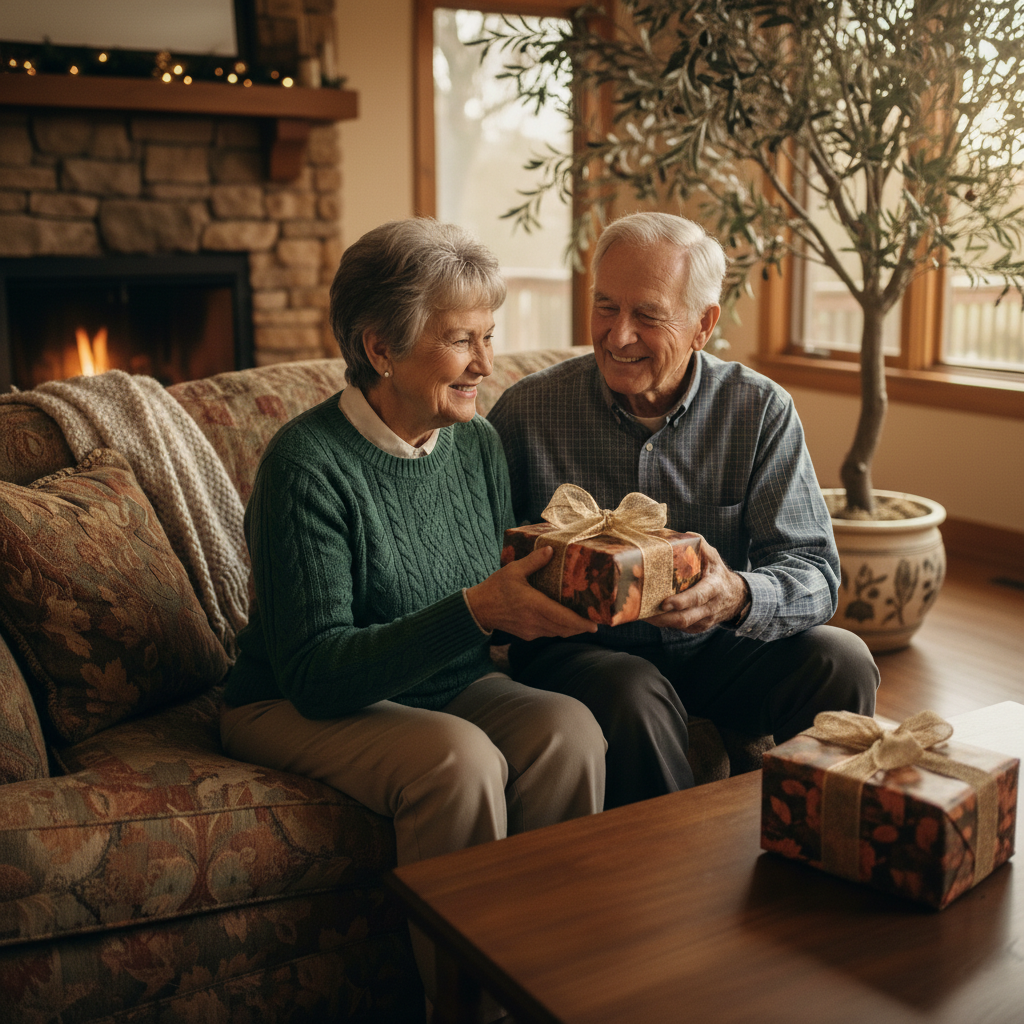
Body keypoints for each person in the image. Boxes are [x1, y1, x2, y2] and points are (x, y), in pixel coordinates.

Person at [220, 218, 606, 1008]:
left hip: (442, 681)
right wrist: (475, 612)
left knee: (570, 731)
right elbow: (317, 674)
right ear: (380, 349)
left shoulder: (476, 443)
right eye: (462, 339)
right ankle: (467, 1007)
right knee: (457, 761)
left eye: (490, 336)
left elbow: (492, 605)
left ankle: (554, 985)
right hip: (289, 699)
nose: (485, 364)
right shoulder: (306, 466)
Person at [487, 211, 879, 810]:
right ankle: (669, 887)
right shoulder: (526, 412)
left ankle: (821, 845)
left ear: (703, 324)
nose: (618, 336)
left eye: (648, 315)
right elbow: (480, 564)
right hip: (585, 656)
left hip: (717, 649)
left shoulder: (759, 410)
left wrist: (737, 595)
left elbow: (815, 571)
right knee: (632, 689)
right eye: (606, 307)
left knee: (843, 660)